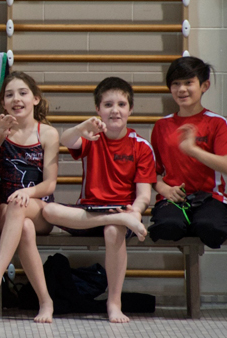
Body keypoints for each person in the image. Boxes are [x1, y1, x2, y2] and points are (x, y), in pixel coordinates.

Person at [42, 77, 155, 323]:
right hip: (88, 213)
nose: (115, 110)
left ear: (130, 109)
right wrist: (82, 128)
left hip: (122, 214)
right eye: (108, 104)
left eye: (122, 104)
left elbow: (144, 194)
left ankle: (114, 303)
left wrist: (135, 212)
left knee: (114, 229)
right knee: (48, 210)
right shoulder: (92, 137)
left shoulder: (141, 147)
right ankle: (118, 218)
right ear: (98, 109)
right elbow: (65, 141)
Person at [0, 72, 59, 323]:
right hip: (8, 212)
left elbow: (50, 184)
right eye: (9, 95)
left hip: (39, 207)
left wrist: (28, 192)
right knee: (22, 224)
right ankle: (45, 301)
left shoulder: (48, 133)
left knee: (22, 210)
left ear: (36, 99)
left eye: (22, 93)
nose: (16, 99)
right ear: (3, 103)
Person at [148, 57, 227, 249]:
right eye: (176, 84)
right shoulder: (161, 126)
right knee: (167, 228)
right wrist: (165, 190)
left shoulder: (217, 123)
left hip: (210, 198)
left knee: (209, 228)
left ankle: (197, 222)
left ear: (204, 85)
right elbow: (152, 173)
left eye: (188, 83)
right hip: (174, 199)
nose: (181, 89)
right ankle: (183, 221)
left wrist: (193, 150)